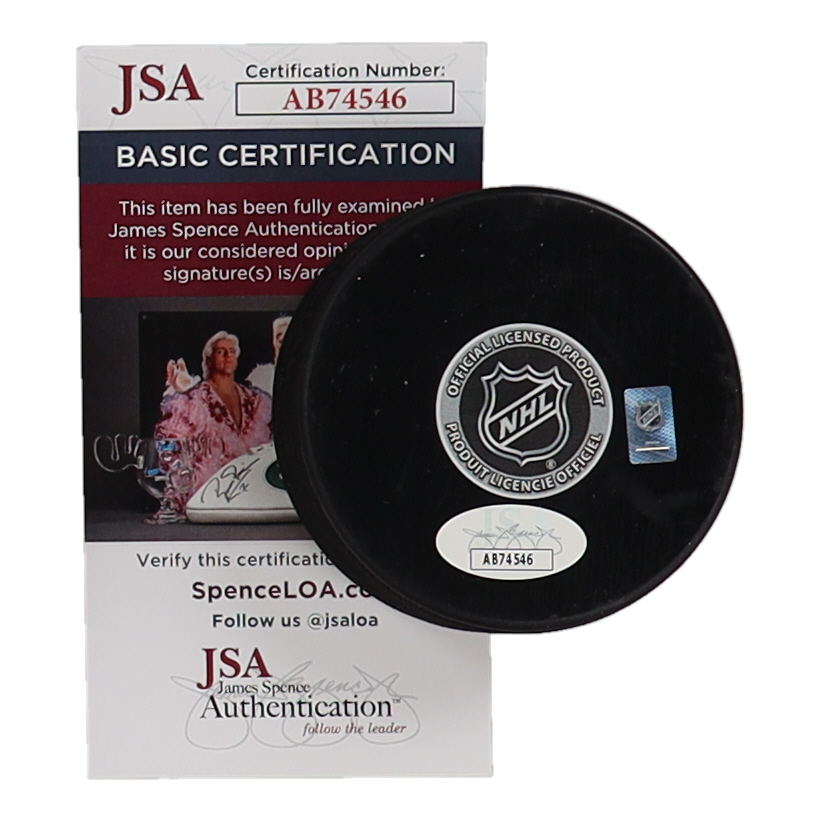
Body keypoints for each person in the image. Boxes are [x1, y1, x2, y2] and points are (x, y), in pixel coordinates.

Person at [155, 332, 272, 501]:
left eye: (232, 351)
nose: (227, 355)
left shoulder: (255, 400)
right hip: (206, 493)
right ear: (209, 360)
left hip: (249, 492)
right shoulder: (191, 399)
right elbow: (170, 447)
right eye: (220, 351)